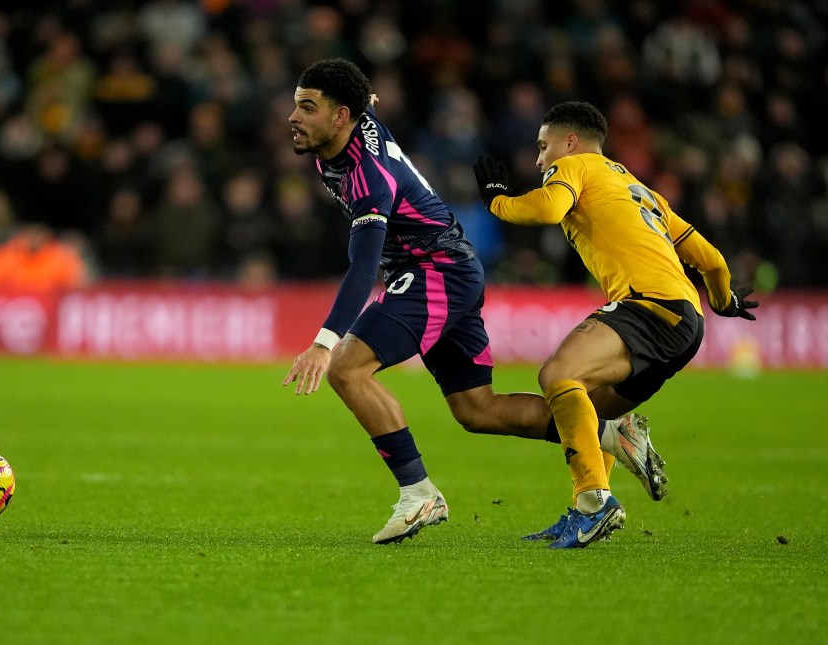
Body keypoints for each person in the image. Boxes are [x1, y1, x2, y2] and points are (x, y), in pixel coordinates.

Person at [281, 59, 663, 547]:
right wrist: (365, 98)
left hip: (434, 270)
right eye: (295, 105)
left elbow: (362, 267)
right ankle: (611, 432)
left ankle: (418, 494)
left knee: (345, 368)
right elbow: (365, 106)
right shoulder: (353, 127)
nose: (294, 117)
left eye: (307, 107)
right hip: (452, 268)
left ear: (341, 117)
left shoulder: (367, 174)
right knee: (476, 410)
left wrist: (323, 341)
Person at [473, 100, 758, 548]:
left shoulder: (577, 166)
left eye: (543, 146)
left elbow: (548, 209)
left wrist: (497, 200)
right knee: (590, 406)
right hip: (685, 319)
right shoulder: (635, 185)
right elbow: (712, 260)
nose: (539, 159)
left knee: (557, 375)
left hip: (650, 306)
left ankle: (595, 503)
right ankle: (586, 504)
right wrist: (724, 300)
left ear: (570, 141)